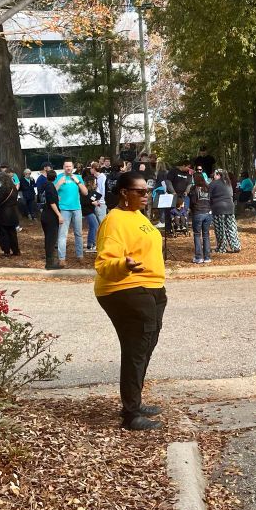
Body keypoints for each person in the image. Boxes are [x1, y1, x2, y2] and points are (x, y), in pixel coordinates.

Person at [94, 171, 167, 431]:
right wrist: (124, 265)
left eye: (148, 191)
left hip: (151, 287)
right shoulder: (114, 221)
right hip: (126, 288)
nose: (146, 195)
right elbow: (104, 264)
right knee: (136, 349)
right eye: (140, 191)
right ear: (124, 193)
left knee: (145, 346)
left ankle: (134, 401)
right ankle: (131, 414)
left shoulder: (138, 216)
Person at [55, 160, 89, 263]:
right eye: (66, 166)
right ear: (63, 167)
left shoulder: (78, 177)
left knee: (78, 233)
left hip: (77, 209)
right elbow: (52, 192)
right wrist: (59, 184)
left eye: (70, 166)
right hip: (64, 209)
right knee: (62, 235)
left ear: (73, 167)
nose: (68, 168)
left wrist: (78, 182)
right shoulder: (59, 177)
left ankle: (80, 256)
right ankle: (62, 258)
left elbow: (85, 192)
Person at [210, 169, 241, 253]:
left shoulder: (214, 183)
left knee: (220, 229)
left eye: (215, 174)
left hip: (218, 208)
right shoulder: (228, 183)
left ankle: (221, 247)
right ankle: (235, 246)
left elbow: (209, 195)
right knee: (231, 228)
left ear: (218, 175)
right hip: (230, 207)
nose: (214, 176)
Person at [0, 170, 21, 257]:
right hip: (13, 212)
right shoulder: (14, 187)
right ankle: (16, 251)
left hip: (3, 213)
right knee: (12, 233)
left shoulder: (3, 188)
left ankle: (6, 251)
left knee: (3, 233)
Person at [189, 170, 213, 263]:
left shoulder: (194, 189)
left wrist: (191, 210)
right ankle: (207, 257)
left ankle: (198, 257)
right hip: (208, 213)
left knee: (197, 235)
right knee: (206, 235)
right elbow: (211, 200)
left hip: (198, 213)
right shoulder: (208, 188)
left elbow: (193, 202)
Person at [41, 169, 62, 269]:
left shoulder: (45, 185)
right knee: (51, 240)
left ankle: (49, 261)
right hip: (50, 216)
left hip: (45, 214)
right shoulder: (50, 186)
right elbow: (51, 202)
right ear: (55, 178)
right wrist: (59, 215)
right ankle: (49, 263)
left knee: (48, 239)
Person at [80, 167, 105, 252]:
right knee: (94, 226)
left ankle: (91, 243)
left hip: (90, 211)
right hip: (87, 211)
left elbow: (94, 197)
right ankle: (90, 245)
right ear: (91, 182)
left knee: (93, 226)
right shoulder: (84, 191)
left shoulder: (92, 191)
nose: (96, 183)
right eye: (95, 182)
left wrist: (95, 202)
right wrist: (92, 203)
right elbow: (84, 201)